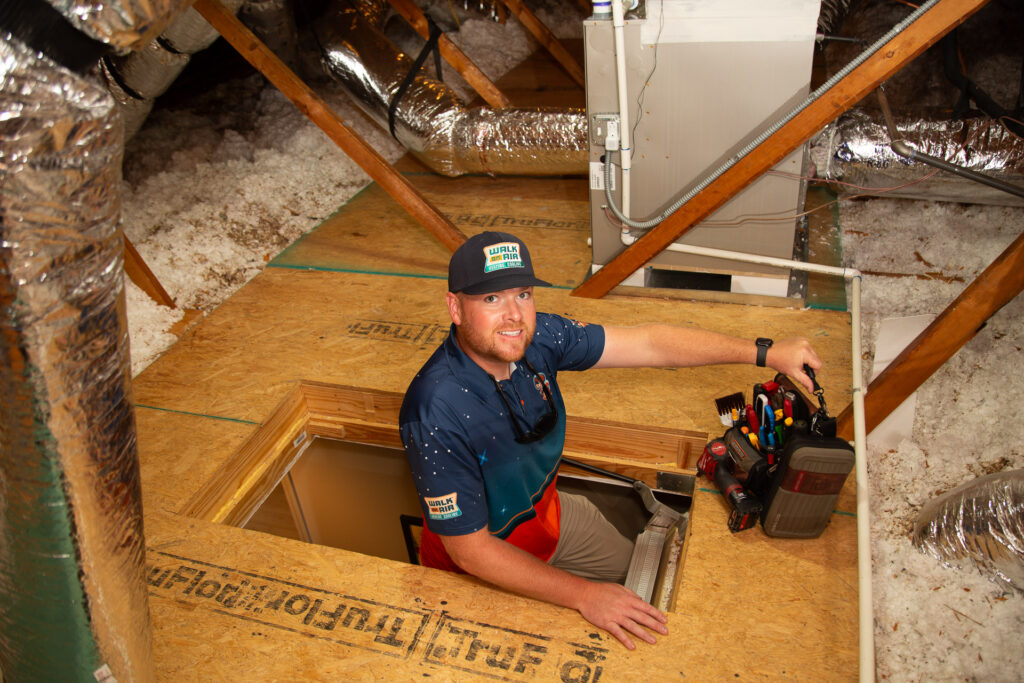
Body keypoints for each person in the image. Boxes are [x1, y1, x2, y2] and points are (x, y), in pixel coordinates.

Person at [399, 231, 821, 650]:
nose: (514, 315)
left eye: (523, 295)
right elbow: (471, 552)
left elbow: (649, 344)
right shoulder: (434, 410)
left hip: (549, 520)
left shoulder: (539, 338)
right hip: (477, 572)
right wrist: (584, 595)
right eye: (491, 299)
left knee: (640, 582)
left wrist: (765, 353)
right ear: (455, 307)